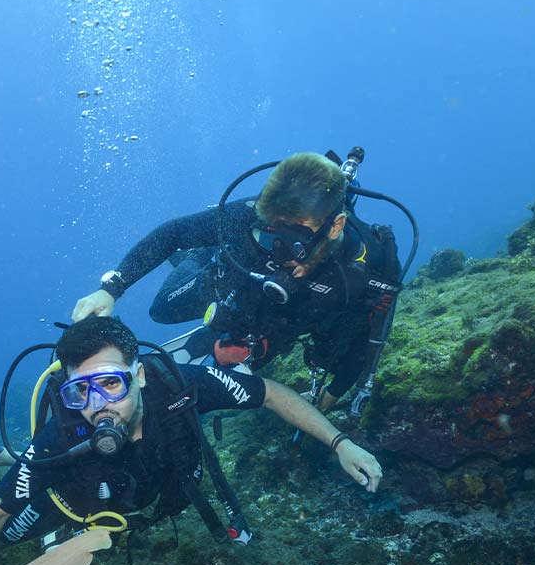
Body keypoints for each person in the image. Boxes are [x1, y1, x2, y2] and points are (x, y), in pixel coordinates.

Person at [0, 316, 381, 565]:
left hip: (142, 494)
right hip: (74, 498)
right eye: (80, 390)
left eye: (112, 384)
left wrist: (340, 443)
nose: (98, 406)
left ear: (138, 375)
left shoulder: (182, 386)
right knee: (8, 534)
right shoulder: (62, 434)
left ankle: (2, 456)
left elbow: (268, 392)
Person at [71, 152, 404, 413]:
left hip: (287, 317)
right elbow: (174, 233)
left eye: (293, 243)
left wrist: (330, 396)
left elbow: (364, 341)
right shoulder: (247, 218)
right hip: (227, 280)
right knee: (162, 311)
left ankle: (231, 338)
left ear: (335, 226)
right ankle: (201, 257)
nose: (278, 255)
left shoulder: (363, 269)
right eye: (268, 236)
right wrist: (112, 288)